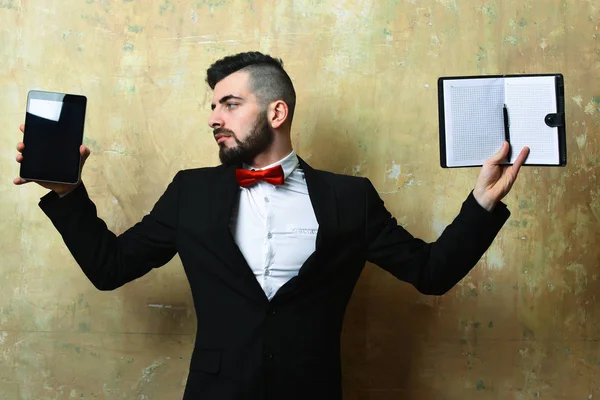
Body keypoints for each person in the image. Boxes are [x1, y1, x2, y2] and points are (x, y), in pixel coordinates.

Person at [14, 51, 529, 400]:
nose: (215, 117)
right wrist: (66, 192)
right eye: (213, 106)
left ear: (277, 111)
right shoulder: (191, 192)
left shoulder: (351, 198)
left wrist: (481, 204)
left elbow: (431, 272)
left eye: (230, 104)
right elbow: (111, 267)